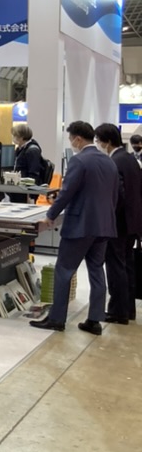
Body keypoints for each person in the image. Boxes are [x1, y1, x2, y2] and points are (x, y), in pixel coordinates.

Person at [31, 121, 118, 334]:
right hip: (103, 225)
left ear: (78, 139)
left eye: (71, 139)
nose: (71, 143)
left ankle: (56, 319)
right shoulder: (109, 162)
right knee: (97, 271)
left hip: (80, 226)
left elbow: (67, 193)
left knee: (64, 270)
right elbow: (114, 195)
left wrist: (49, 216)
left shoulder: (79, 161)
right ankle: (94, 320)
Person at [94, 123, 142, 324]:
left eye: (98, 141)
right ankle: (128, 309)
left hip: (118, 223)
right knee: (127, 265)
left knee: (115, 267)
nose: (97, 144)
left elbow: (118, 195)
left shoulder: (115, 162)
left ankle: (117, 312)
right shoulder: (130, 159)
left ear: (107, 142)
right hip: (132, 222)